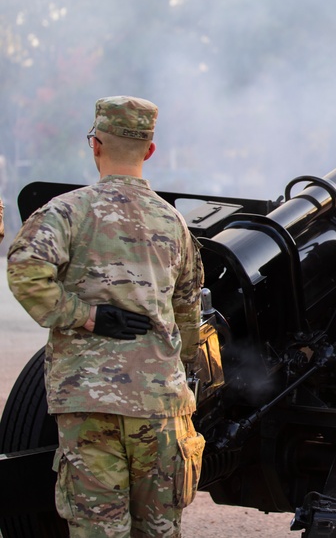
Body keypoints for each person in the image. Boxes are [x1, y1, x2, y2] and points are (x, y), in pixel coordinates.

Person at [7, 96, 206, 538]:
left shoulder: (66, 212)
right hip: (159, 408)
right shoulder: (175, 224)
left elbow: (26, 273)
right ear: (150, 151)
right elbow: (188, 313)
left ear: (95, 145)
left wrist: (86, 315)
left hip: (89, 404)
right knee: (159, 530)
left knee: (99, 531)